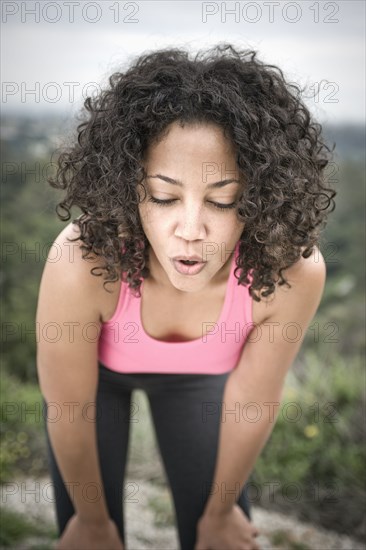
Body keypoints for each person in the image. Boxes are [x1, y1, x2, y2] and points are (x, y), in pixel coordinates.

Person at [36, 43, 336, 550]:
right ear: (127, 188)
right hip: (95, 388)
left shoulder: (294, 270)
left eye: (222, 200)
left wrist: (221, 514)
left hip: (197, 385)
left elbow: (252, 400)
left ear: (259, 197)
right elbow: (68, 406)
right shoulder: (81, 259)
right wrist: (90, 523)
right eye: (164, 196)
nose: (191, 229)